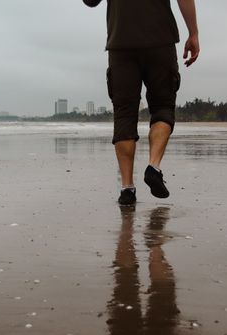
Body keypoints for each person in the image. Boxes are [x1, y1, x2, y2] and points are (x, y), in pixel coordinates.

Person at [83, 0, 200, 205]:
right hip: (160, 40)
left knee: (124, 115)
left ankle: (127, 188)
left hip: (121, 44)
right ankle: (153, 166)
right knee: (163, 107)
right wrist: (193, 33)